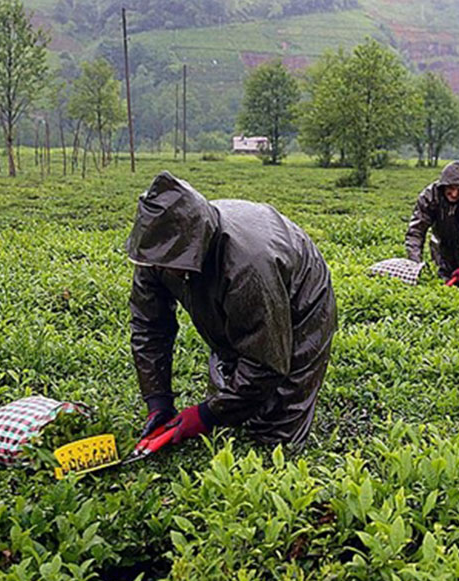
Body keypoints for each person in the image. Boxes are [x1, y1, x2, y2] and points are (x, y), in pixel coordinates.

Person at [127, 172, 337, 452]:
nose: (162, 270)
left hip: (301, 295)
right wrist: (158, 402)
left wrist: (204, 415)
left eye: (171, 262)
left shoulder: (249, 265)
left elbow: (266, 362)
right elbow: (149, 327)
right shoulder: (154, 251)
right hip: (245, 280)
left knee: (276, 431)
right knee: (230, 405)